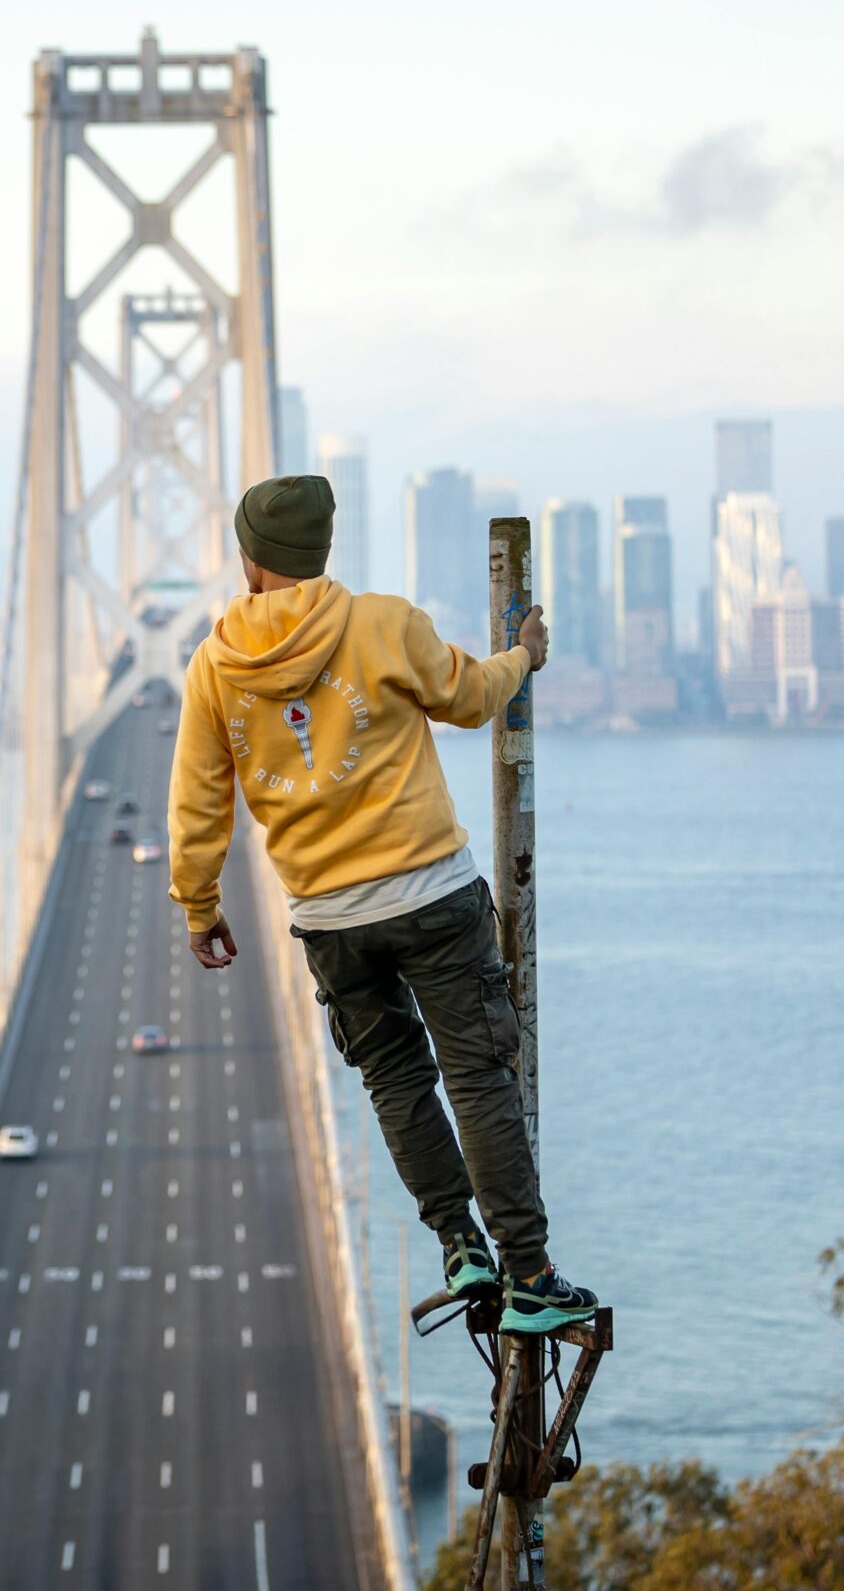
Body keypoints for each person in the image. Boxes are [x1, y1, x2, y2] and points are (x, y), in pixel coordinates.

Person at [165, 473, 598, 1334]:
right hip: (432, 891)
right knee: (478, 1074)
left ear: (252, 561)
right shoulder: (385, 622)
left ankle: (458, 1243)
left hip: (328, 916)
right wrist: (525, 655)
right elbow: (474, 698)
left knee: (398, 1079)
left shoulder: (214, 666)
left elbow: (199, 802)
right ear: (321, 550)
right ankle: (529, 1273)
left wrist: (199, 906)